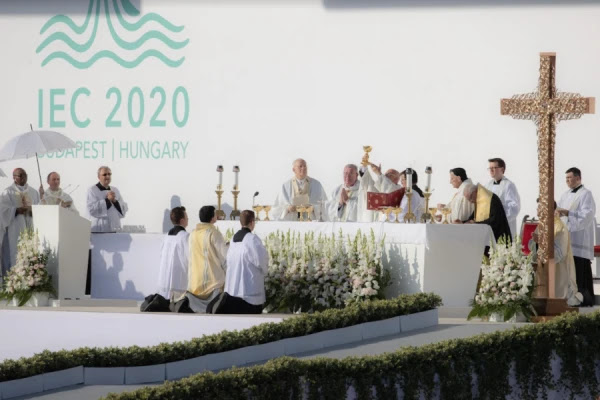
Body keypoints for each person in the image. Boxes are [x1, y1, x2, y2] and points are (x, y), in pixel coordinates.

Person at [529, 200, 582, 307]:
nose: (537, 210)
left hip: (558, 277)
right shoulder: (542, 225)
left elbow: (559, 255)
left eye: (540, 208)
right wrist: (537, 243)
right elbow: (532, 247)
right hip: (541, 274)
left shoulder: (560, 228)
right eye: (538, 207)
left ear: (548, 209)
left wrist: (541, 242)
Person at [215, 210, 268, 314]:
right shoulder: (252, 239)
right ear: (252, 222)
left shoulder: (233, 240)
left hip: (233, 291)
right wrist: (265, 270)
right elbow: (261, 261)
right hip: (249, 293)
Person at [557, 167, 596, 306]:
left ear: (578, 178)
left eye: (570, 177)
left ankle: (584, 298)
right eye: (566, 178)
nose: (567, 180)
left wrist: (568, 213)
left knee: (580, 269)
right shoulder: (565, 195)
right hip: (566, 237)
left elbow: (587, 216)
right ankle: (570, 297)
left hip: (579, 238)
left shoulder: (586, 194)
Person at [185, 205, 228, 312]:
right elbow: (224, 256)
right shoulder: (214, 233)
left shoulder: (192, 234)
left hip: (195, 282)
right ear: (212, 217)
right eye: (215, 214)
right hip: (213, 284)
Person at [0, 168, 41, 274]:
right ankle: (16, 281)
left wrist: (33, 210)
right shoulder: (8, 192)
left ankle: (31, 279)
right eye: (21, 175)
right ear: (14, 177)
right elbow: (3, 211)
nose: (24, 177)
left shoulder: (33, 192)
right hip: (15, 229)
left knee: (31, 255)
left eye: (25, 175)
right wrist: (16, 210)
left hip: (30, 226)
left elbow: (39, 208)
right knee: (16, 254)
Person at [156, 206, 190, 301]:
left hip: (165, 276)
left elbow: (161, 254)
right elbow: (189, 257)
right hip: (178, 279)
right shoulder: (185, 236)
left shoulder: (166, 235)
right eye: (187, 218)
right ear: (182, 220)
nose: (188, 220)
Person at [485, 158, 521, 239]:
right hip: (491, 224)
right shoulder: (488, 185)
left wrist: (500, 219)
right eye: (489, 168)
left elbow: (514, 208)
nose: (491, 170)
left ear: (502, 169)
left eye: (494, 168)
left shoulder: (508, 185)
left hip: (504, 225)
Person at [86, 166, 128, 232]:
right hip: (99, 229)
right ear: (99, 177)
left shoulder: (115, 190)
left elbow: (123, 210)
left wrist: (115, 201)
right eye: (105, 174)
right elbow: (91, 210)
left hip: (114, 228)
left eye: (109, 174)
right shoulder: (92, 190)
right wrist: (107, 200)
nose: (107, 176)